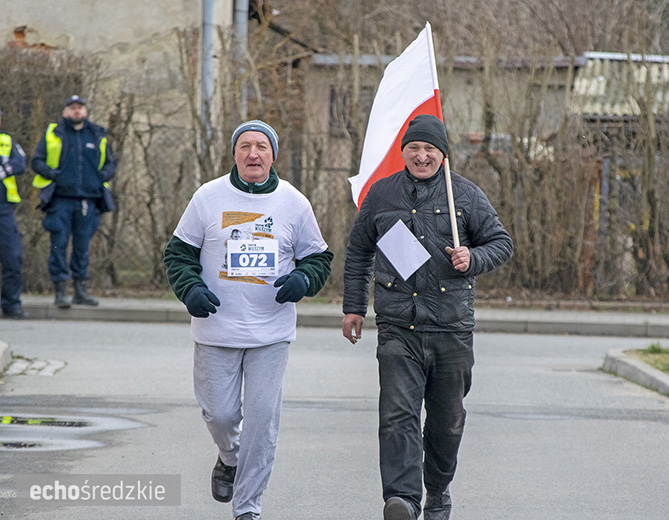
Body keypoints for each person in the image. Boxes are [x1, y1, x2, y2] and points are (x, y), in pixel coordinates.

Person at [342, 114, 513, 520]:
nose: (421, 156)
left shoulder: (465, 196)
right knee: (397, 415)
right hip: (398, 327)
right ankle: (402, 499)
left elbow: (501, 243)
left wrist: (472, 257)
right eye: (414, 148)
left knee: (446, 423)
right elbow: (359, 252)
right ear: (404, 152)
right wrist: (354, 307)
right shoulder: (381, 195)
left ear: (443, 154)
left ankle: (437, 489)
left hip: (451, 329)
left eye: (430, 149)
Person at [163, 120, 334, 520]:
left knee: (261, 424)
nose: (253, 154)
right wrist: (190, 288)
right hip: (216, 328)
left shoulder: (294, 203)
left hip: (271, 331)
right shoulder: (208, 197)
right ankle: (229, 457)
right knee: (220, 415)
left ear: (273, 155)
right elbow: (178, 255)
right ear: (234, 154)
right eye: (245, 146)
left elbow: (319, 257)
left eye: (261, 146)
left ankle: (248, 507)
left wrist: (304, 279)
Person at [31, 94, 116, 308]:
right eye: (72, 107)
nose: (76, 111)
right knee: (59, 244)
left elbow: (111, 164)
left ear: (85, 111)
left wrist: (100, 177)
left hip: (89, 200)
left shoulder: (97, 134)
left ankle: (80, 290)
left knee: (82, 246)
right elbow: (37, 161)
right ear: (65, 111)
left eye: (80, 107)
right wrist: (54, 175)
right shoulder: (54, 133)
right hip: (60, 199)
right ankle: (60, 291)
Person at [0, 104, 28, 319]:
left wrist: (5, 169)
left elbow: (21, 162)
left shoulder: (7, 141)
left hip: (3, 209)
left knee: (13, 256)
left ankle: (11, 304)